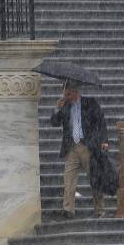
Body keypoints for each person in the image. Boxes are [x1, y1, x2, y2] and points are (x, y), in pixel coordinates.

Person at [50, 81, 110, 219]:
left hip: (88, 146)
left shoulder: (90, 103)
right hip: (71, 147)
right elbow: (54, 122)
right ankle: (68, 209)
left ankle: (99, 209)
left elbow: (101, 122)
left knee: (94, 178)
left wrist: (104, 140)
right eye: (65, 94)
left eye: (68, 94)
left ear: (75, 92)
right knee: (69, 179)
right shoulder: (64, 106)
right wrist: (57, 109)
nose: (66, 97)